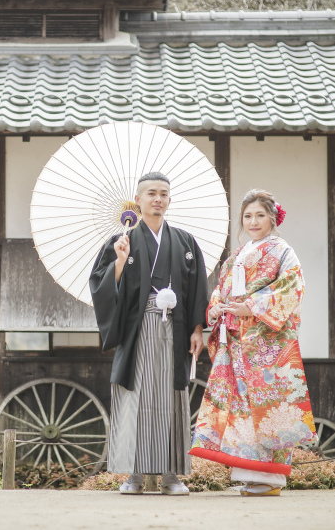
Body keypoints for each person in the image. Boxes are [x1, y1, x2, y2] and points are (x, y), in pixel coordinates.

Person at [189, 189, 317, 497]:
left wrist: (253, 308)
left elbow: (291, 287)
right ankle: (250, 474)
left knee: (268, 407)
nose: (253, 221)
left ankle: (271, 478)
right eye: (248, 216)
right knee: (241, 409)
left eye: (260, 215)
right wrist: (216, 308)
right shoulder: (237, 255)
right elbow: (220, 290)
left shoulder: (283, 251)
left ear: (273, 218)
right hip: (235, 342)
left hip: (266, 344)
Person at [89, 172, 209, 495]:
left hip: (176, 329)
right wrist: (120, 261)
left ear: (169, 200)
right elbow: (101, 285)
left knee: (173, 398)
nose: (158, 199)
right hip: (138, 329)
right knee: (136, 397)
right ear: (138, 200)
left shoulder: (185, 242)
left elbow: (198, 287)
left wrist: (198, 329)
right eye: (151, 193)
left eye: (164, 194)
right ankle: (135, 475)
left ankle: (171, 475)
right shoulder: (122, 241)